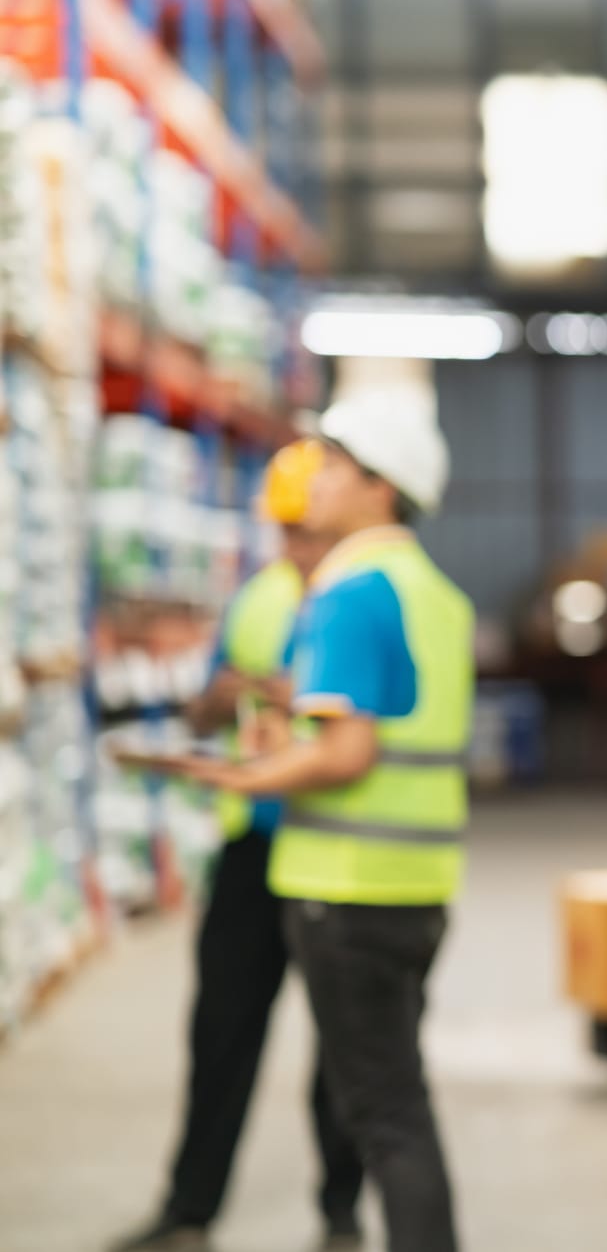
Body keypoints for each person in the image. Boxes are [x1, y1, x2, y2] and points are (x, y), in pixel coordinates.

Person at [177, 394, 473, 1252]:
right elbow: (390, 716)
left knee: (385, 1113)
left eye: (336, 468)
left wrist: (243, 769)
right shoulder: (432, 592)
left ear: (381, 488)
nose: (315, 486)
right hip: (418, 883)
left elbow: (348, 752)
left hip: (342, 886)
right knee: (389, 1101)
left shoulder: (349, 590)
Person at [113, 441, 365, 1252]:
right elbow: (204, 714)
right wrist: (220, 700)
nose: (298, 547)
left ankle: (340, 1212)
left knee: (344, 1049)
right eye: (287, 531)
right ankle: (190, 1208)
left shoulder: (362, 600)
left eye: (311, 530)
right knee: (221, 1030)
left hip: (334, 846)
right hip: (254, 848)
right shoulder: (256, 601)